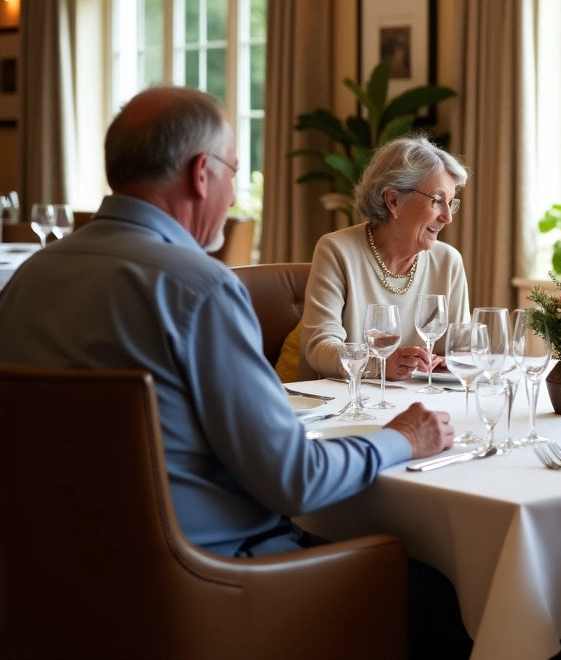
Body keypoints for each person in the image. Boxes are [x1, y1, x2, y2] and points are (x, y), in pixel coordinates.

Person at [0, 87, 456, 557]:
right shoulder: (199, 291)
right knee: (431, 582)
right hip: (207, 581)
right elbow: (295, 479)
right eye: (234, 172)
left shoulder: (25, 280)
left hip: (46, 579)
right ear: (202, 173)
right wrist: (401, 438)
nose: (235, 194)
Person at [301, 135, 471, 381]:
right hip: (348, 405)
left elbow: (462, 350)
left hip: (422, 403)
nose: (447, 217)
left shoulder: (448, 262)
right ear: (393, 201)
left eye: (450, 203)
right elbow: (318, 348)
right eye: (436, 201)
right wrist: (377, 365)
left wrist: (447, 363)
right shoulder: (337, 250)